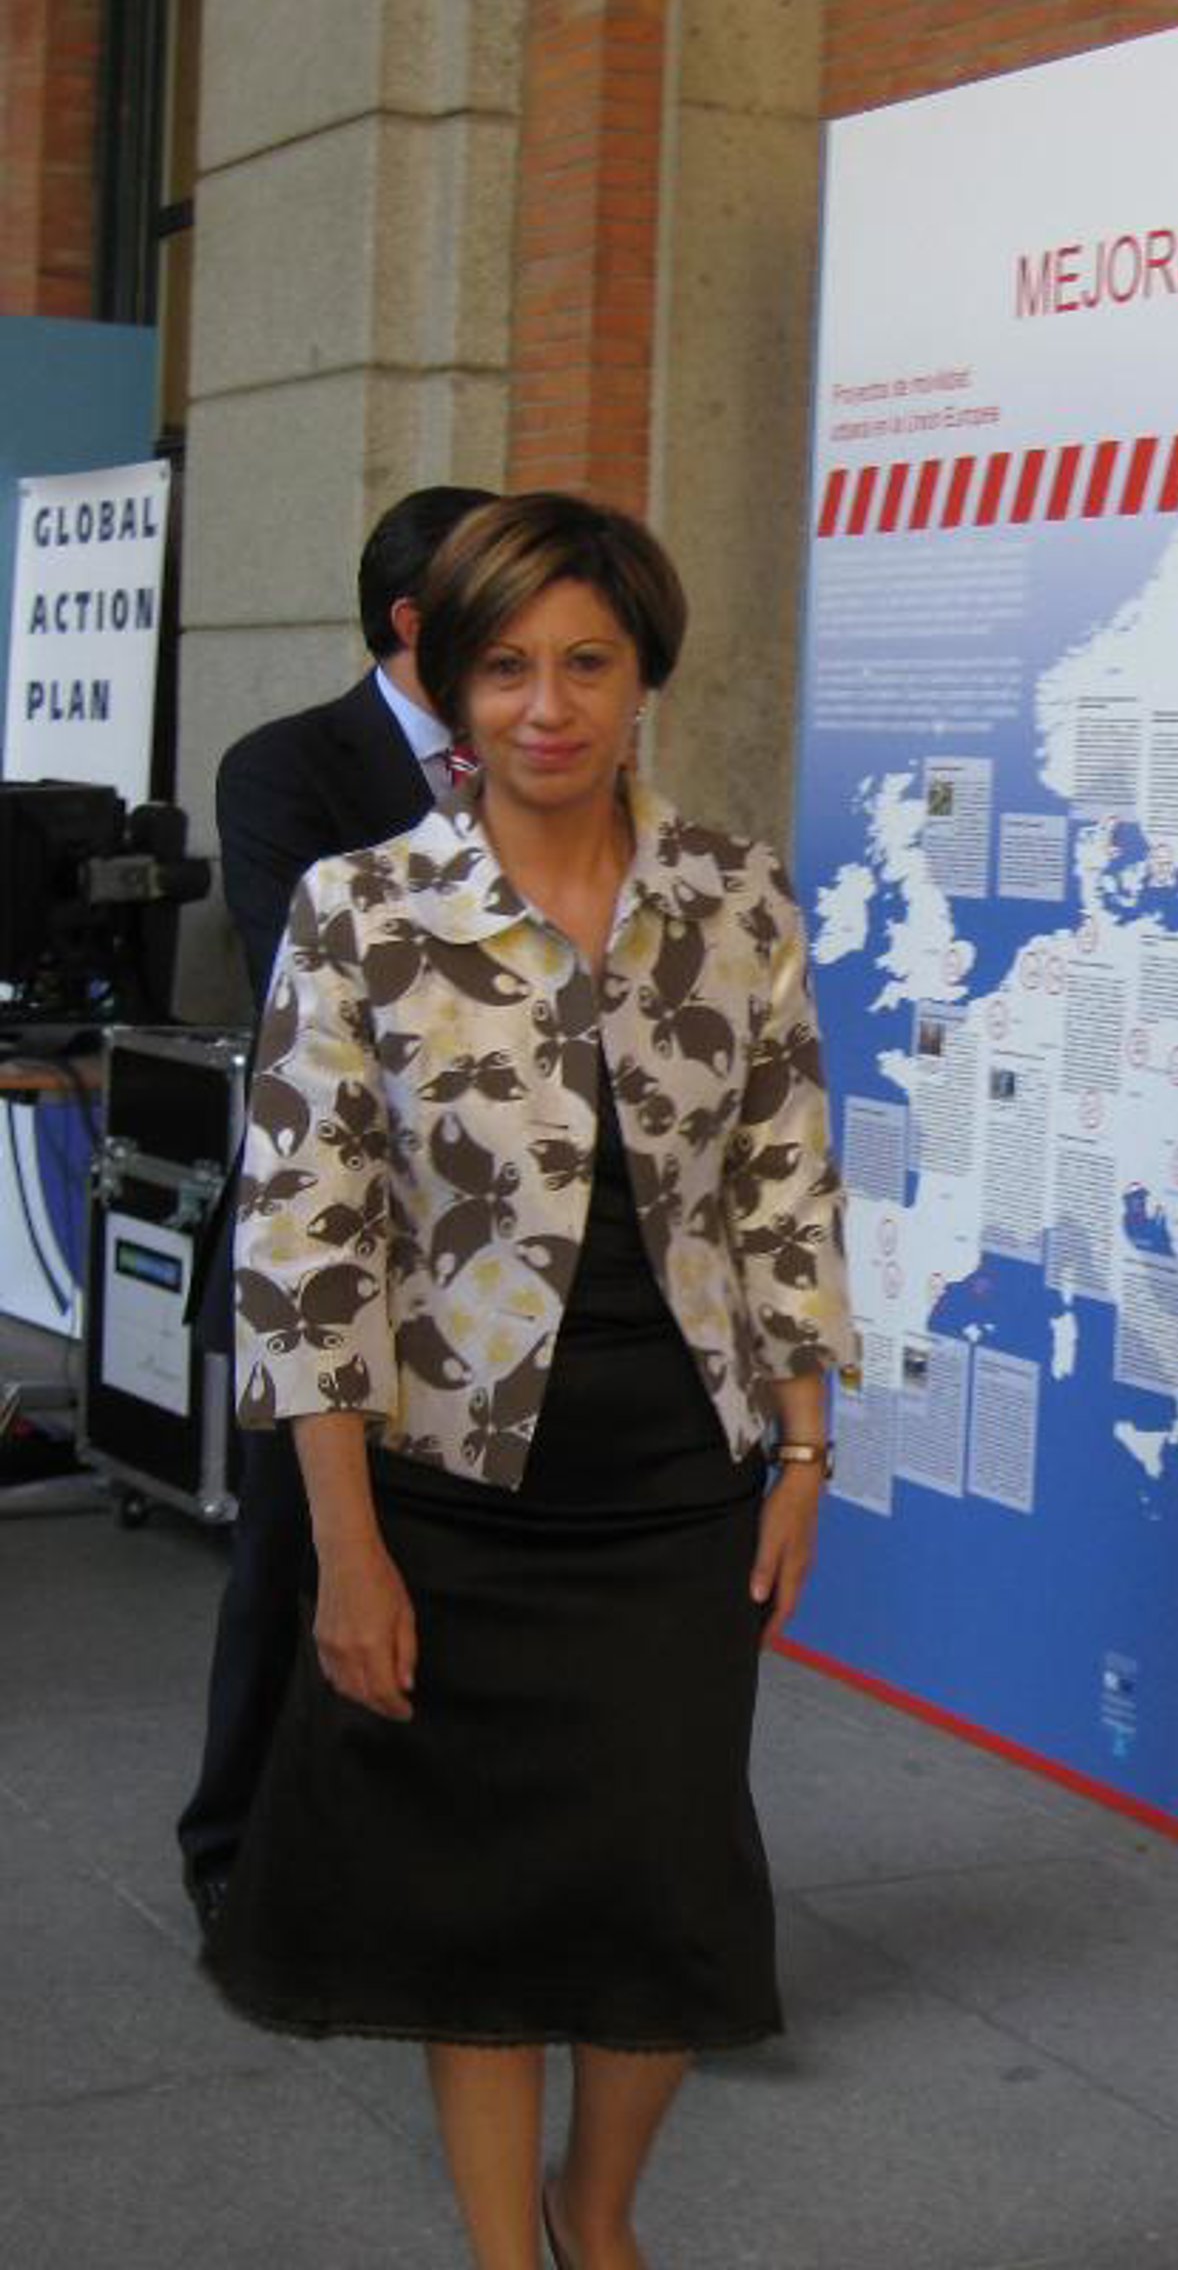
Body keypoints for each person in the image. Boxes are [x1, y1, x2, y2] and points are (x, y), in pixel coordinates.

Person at [203, 492, 856, 2270]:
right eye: (504, 668)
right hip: (450, 1484)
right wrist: (345, 1550)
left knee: (669, 1882)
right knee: (469, 1901)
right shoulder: (362, 910)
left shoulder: (733, 900)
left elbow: (787, 1186)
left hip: (680, 1481)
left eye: (587, 663)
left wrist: (806, 1457)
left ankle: (596, 2207)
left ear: (645, 678)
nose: (546, 707)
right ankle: (510, 2252)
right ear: (448, 684)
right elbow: (308, 1244)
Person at [178, 485, 496, 1933]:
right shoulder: (286, 767)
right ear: (417, 620)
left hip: (505, 1251)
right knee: (294, 1551)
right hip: (340, 1227)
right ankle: (233, 1844)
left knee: (469, 1566)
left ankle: (437, 1848)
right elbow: (305, 991)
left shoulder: (544, 765)